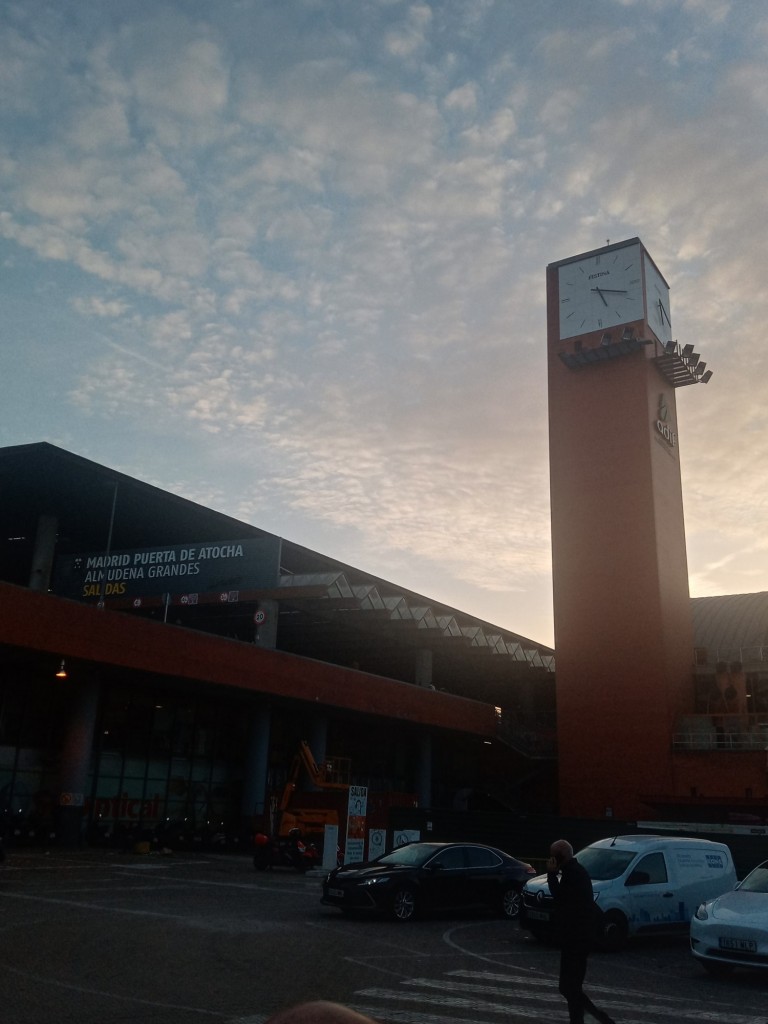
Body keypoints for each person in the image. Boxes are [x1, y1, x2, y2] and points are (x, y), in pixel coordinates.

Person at [547, 839, 616, 1024]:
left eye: (553, 856)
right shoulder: (575, 872)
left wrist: (552, 876)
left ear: (560, 857)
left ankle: (600, 1019)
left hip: (577, 939)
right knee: (570, 987)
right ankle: (579, 1020)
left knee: (569, 987)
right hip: (576, 938)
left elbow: (561, 898)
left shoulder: (574, 874)